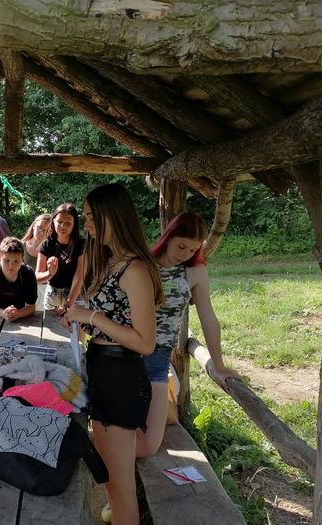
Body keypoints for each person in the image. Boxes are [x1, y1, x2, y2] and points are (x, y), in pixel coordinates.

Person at [64, 183, 163, 525]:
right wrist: (81, 319)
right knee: (108, 477)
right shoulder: (110, 261)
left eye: (93, 217)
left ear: (114, 216)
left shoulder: (135, 269)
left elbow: (145, 343)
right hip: (102, 370)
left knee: (120, 485)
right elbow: (112, 321)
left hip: (121, 378)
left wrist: (92, 317)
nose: (87, 224)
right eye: (86, 216)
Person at [136, 212, 241, 458]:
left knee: (149, 444)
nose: (185, 254)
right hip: (125, 351)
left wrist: (219, 365)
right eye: (181, 246)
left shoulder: (194, 271)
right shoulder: (142, 262)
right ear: (168, 237)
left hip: (159, 355)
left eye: (193, 249)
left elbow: (209, 318)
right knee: (123, 428)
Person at [36, 203, 85, 313]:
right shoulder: (46, 244)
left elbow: (79, 277)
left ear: (74, 224)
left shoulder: (82, 245)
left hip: (76, 296)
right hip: (52, 296)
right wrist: (49, 274)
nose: (63, 226)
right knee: (50, 324)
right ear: (53, 221)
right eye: (60, 222)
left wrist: (68, 304)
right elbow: (37, 278)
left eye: (68, 223)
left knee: (75, 324)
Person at [0, 237, 38, 322]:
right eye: (6, 261)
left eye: (16, 261)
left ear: (22, 259)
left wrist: (18, 314)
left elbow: (31, 307)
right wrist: (2, 313)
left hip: (21, 316)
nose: (11, 265)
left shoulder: (28, 274)